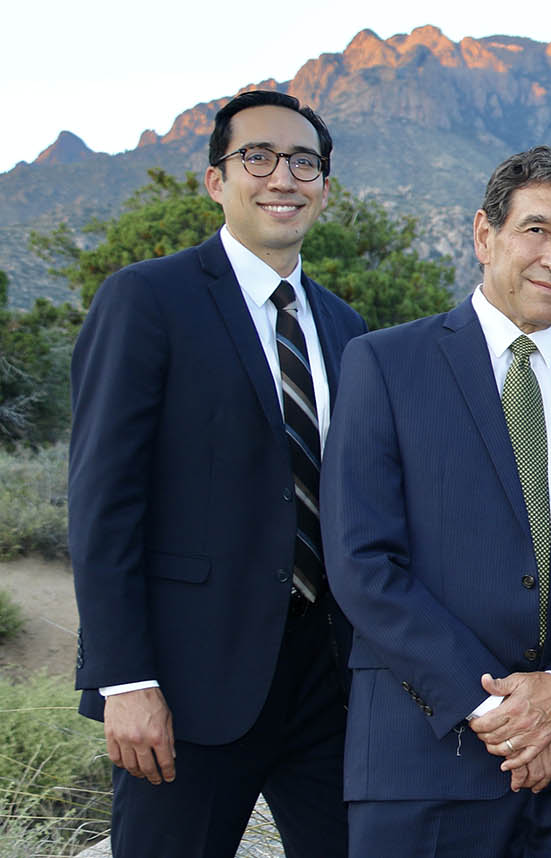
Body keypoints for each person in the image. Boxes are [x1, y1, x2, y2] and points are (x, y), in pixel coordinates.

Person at [321, 145, 551, 857]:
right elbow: (363, 561)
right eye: (536, 229)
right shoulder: (385, 365)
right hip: (424, 763)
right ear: (484, 234)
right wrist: (499, 713)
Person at [69, 89, 366, 857]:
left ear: (324, 188)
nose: (282, 177)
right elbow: (103, 501)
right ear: (215, 181)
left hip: (327, 686)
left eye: (304, 163)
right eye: (256, 157)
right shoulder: (148, 299)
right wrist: (124, 680)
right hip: (187, 684)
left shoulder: (347, 330)